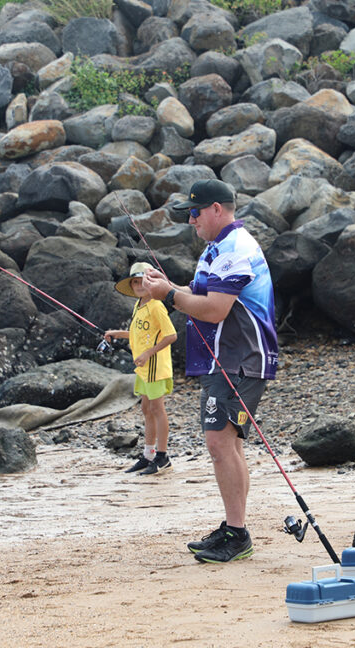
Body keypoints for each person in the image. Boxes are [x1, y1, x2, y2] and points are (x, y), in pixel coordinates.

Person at [142, 179, 278, 564]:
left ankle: (237, 534)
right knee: (228, 443)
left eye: (195, 212)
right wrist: (168, 286)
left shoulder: (235, 249)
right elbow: (201, 294)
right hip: (226, 359)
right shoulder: (216, 248)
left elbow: (215, 309)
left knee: (219, 443)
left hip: (240, 359)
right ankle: (235, 528)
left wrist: (168, 296)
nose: (191, 220)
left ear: (217, 209)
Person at [106, 262, 178, 476]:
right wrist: (118, 333)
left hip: (155, 366)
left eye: (143, 281)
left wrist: (148, 353)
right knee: (146, 409)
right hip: (143, 369)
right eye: (135, 282)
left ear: (151, 283)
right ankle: (148, 455)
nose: (139, 286)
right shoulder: (138, 305)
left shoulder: (156, 306)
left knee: (157, 409)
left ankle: (162, 456)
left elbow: (171, 335)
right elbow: (140, 334)